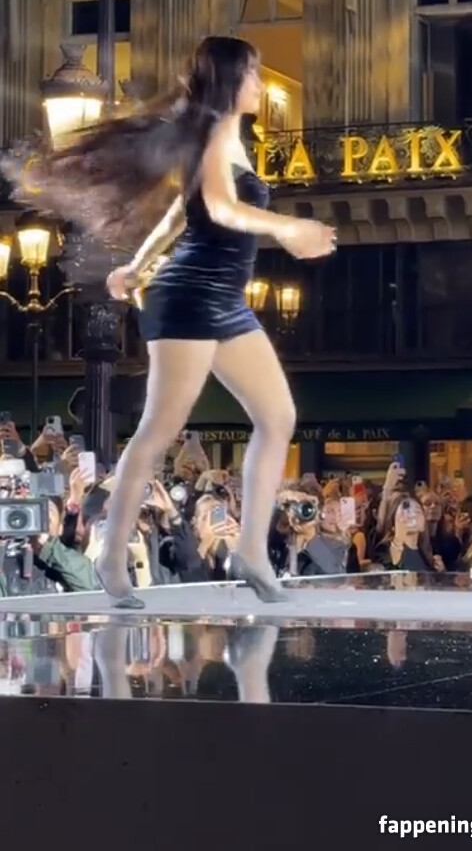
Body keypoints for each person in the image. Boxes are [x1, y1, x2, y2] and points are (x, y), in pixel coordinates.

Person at [3, 36, 336, 607]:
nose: (262, 85)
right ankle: (111, 556)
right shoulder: (213, 136)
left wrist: (136, 265)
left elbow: (186, 211)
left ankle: (251, 552)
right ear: (232, 81)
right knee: (159, 429)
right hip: (190, 297)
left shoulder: (226, 135)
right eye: (255, 75)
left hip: (223, 298)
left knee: (277, 416)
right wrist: (288, 227)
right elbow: (222, 209)